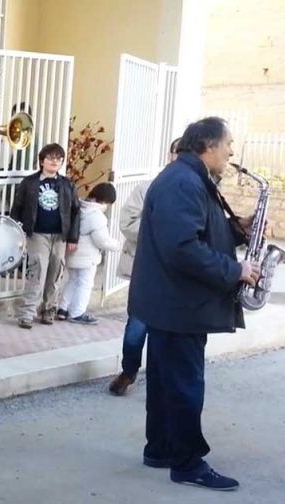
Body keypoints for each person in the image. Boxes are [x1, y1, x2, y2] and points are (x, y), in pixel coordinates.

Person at [128, 117, 256, 491]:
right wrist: (236, 270)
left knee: (167, 382)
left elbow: (197, 231)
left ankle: (161, 449)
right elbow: (182, 248)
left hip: (171, 303)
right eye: (229, 144)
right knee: (184, 384)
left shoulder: (187, 178)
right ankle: (187, 463)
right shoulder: (183, 182)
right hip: (179, 305)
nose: (232, 152)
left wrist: (236, 228)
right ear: (209, 146)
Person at [108, 137, 180, 395]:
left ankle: (163, 380)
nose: (180, 157)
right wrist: (162, 232)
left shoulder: (199, 190)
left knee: (172, 331)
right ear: (169, 155)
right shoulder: (148, 187)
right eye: (177, 151)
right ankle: (128, 371)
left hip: (180, 273)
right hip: (148, 269)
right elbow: (127, 223)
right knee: (137, 326)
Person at [9, 143, 80, 329]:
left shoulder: (67, 184)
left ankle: (49, 310)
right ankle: (27, 313)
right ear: (42, 161)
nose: (54, 161)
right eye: (50, 158)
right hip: (37, 233)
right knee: (37, 272)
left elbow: (75, 211)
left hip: (60, 235)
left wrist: (73, 237)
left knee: (55, 273)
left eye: (58, 158)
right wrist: (17, 230)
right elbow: (17, 207)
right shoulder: (30, 183)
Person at [56, 182, 120, 324]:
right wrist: (116, 246)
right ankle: (77, 313)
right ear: (105, 201)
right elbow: (101, 240)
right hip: (87, 258)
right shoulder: (96, 216)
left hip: (72, 254)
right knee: (85, 284)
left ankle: (62, 308)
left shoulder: (80, 207)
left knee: (72, 281)